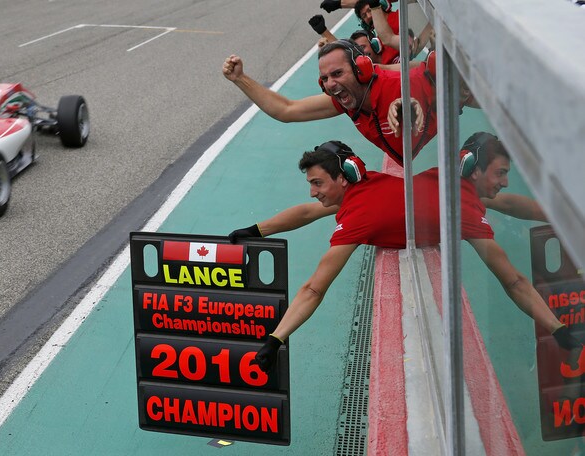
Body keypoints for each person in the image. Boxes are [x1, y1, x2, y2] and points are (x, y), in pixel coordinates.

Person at [232, 138, 579, 372]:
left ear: (345, 176)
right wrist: (257, 230)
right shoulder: (365, 187)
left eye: (318, 183)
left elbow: (313, 289)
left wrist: (275, 340)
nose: (313, 192)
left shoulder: (361, 216)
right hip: (444, 188)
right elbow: (307, 212)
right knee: (495, 200)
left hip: (457, 205)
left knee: (496, 215)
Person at [222, 39, 436, 165]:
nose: (331, 84)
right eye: (325, 79)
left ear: (361, 70)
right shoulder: (346, 100)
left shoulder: (401, 83)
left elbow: (451, 81)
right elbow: (287, 110)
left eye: (337, 73)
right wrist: (241, 79)